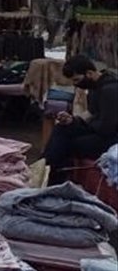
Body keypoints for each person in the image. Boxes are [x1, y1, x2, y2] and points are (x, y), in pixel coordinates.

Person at [44, 55, 118, 184]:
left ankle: (52, 176)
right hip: (99, 130)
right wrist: (72, 120)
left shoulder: (110, 90)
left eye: (77, 80)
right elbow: (91, 114)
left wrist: (78, 124)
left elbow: (106, 128)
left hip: (111, 138)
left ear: (89, 73)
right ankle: (46, 168)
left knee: (71, 143)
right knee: (61, 128)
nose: (75, 84)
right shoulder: (95, 89)